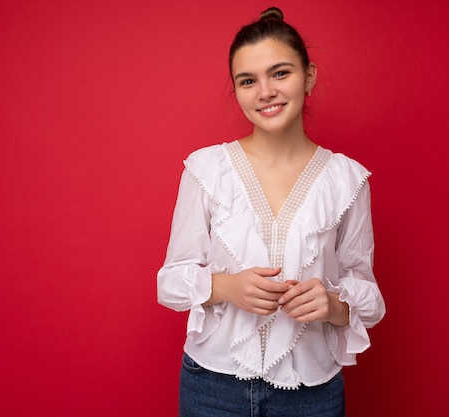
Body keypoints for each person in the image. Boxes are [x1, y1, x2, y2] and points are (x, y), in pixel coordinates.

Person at [157, 6, 385, 417]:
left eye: (280, 73)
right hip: (212, 386)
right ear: (238, 89)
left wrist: (333, 306)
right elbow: (170, 283)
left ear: (308, 76)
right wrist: (227, 288)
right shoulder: (206, 169)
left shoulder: (348, 180)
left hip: (312, 393)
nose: (265, 91)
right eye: (248, 80)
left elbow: (369, 297)